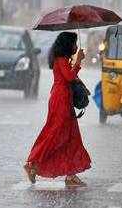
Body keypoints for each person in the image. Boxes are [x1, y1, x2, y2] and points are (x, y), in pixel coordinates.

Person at [23, 32, 91, 186]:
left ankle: (71, 174)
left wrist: (82, 86)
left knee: (71, 136)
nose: (76, 46)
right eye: (74, 44)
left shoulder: (63, 60)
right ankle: (32, 163)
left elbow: (70, 77)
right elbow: (68, 77)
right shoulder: (60, 59)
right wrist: (79, 61)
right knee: (54, 134)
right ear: (68, 45)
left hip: (64, 99)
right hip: (60, 100)